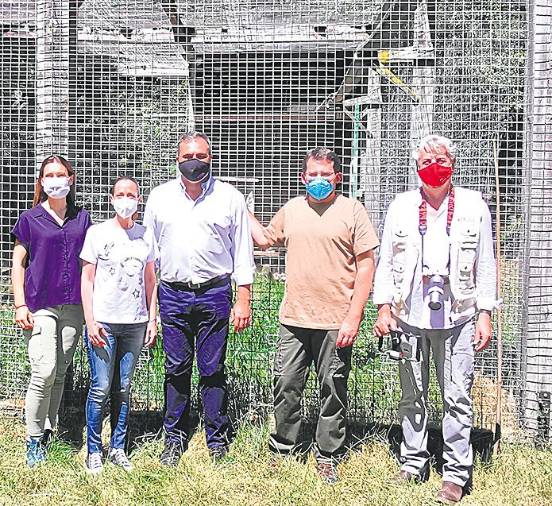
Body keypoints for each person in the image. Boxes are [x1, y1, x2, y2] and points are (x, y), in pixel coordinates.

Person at [372, 135, 497, 504]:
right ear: (416, 167)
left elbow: (486, 263)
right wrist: (383, 308)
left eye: (441, 159)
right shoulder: (401, 206)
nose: (434, 165)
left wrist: (485, 314)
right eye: (427, 160)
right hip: (410, 314)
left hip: (458, 316)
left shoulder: (474, 205)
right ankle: (414, 462)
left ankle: (456, 472)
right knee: (412, 394)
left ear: (453, 164)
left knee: (457, 396)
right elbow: (385, 262)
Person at [248, 147, 379, 484]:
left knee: (332, 387)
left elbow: (366, 266)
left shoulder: (352, 210)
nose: (319, 181)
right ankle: (283, 447)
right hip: (294, 318)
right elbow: (264, 239)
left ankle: (327, 454)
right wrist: (240, 208)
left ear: (337, 177)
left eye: (326, 175)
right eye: (313, 175)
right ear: (303, 178)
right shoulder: (292, 209)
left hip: (336, 320)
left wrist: (355, 317)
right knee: (286, 383)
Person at [143, 131, 255, 466]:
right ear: (178, 160)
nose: (195, 162)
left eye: (202, 156)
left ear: (211, 158)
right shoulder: (160, 198)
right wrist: (151, 306)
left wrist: (244, 298)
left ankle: (216, 438)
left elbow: (243, 252)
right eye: (189, 156)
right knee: (176, 367)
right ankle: (174, 437)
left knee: (211, 368)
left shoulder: (229, 198)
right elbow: (150, 256)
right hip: (173, 294)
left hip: (214, 293)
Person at [11, 155, 92, 467]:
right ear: (42, 181)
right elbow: (18, 263)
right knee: (43, 371)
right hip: (41, 305)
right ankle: (32, 439)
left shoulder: (82, 218)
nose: (56, 179)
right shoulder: (30, 219)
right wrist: (20, 304)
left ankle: (48, 430)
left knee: (59, 374)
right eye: (50, 175)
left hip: (74, 307)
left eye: (62, 174)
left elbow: (90, 263)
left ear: (70, 179)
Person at [80, 176, 158, 474]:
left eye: (131, 194)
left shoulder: (145, 235)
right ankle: (93, 450)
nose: (125, 199)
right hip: (104, 323)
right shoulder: (97, 233)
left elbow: (151, 280)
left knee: (123, 388)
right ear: (112, 198)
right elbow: (87, 280)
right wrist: (90, 320)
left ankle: (118, 448)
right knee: (100, 387)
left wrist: (152, 319)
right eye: (120, 194)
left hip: (135, 323)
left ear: (139, 200)